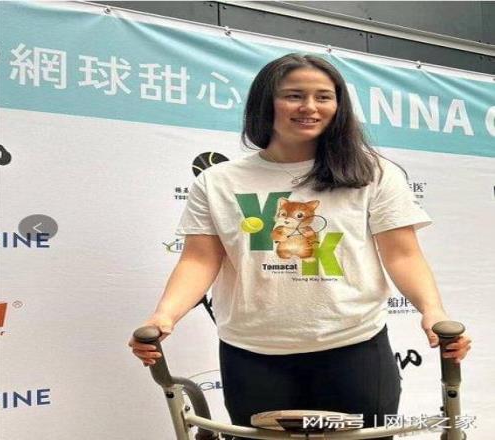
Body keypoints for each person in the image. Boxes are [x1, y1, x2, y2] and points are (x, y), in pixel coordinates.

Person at [129, 53, 471, 439]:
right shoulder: (218, 181)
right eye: (294, 95)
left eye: (323, 97)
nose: (310, 107)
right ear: (265, 103)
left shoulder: (371, 173)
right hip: (252, 352)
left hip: (354, 346)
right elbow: (199, 260)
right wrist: (164, 316)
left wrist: (432, 310)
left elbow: (402, 254)